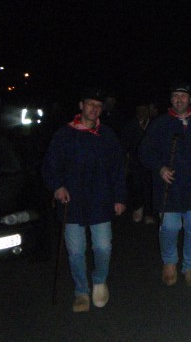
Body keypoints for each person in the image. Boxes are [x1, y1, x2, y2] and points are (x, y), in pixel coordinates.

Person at [42, 88, 127, 312]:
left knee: (103, 247)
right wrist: (57, 186)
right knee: (76, 251)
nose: (94, 109)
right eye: (90, 104)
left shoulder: (107, 135)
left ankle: (99, 280)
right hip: (72, 203)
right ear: (81, 106)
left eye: (98, 106)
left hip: (100, 200)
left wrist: (119, 197)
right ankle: (81, 290)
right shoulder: (64, 134)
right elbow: (50, 165)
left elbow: (118, 169)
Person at [139, 82, 191, 287]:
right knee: (169, 227)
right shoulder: (160, 123)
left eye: (183, 96)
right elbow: (144, 151)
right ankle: (169, 262)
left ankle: (190, 267)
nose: (179, 99)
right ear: (171, 99)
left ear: (190, 99)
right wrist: (160, 168)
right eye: (175, 95)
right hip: (169, 187)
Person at [120, 101, 155, 224]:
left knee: (149, 187)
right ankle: (138, 207)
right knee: (135, 186)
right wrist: (125, 161)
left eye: (144, 110)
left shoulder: (154, 124)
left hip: (150, 163)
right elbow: (124, 145)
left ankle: (149, 213)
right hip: (135, 163)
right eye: (140, 110)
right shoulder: (130, 125)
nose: (142, 113)